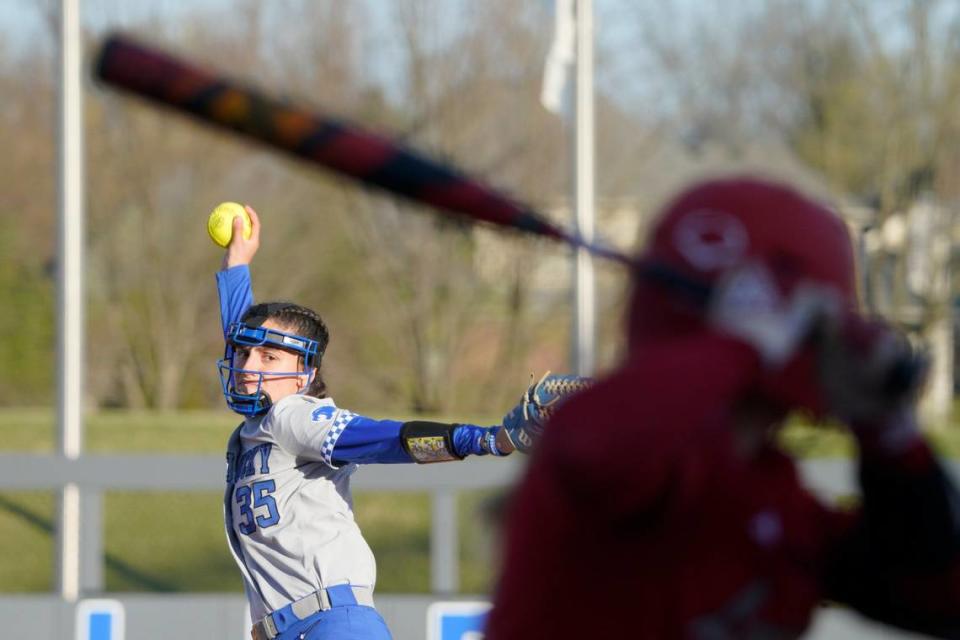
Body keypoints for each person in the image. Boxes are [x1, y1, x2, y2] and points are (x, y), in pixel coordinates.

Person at [485, 176, 960, 639]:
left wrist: (890, 436)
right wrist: (748, 344)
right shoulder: (616, 462)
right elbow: (599, 439)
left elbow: (938, 598)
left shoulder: (774, 499)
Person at [214, 207, 585, 640]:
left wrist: (485, 439)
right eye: (242, 354)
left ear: (305, 375)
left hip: (331, 626)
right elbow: (245, 340)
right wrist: (236, 265)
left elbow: (382, 438)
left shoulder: (292, 416)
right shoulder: (260, 423)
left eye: (270, 358)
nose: (247, 366)